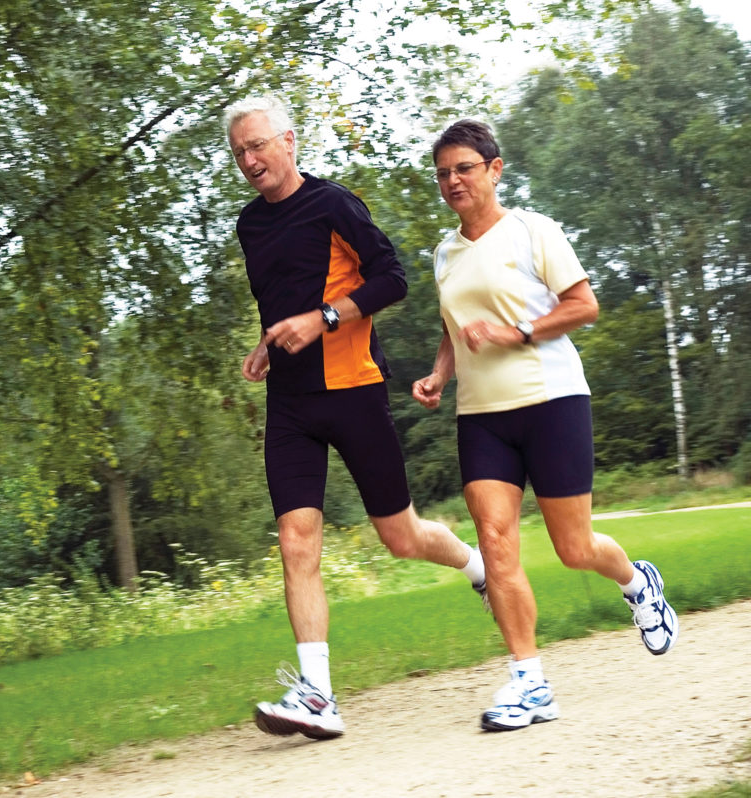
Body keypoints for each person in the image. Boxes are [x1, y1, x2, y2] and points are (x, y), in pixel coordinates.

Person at [224, 95, 488, 741]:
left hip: (352, 390)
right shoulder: (249, 225)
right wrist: (267, 341)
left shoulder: (335, 204)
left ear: (289, 140)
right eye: (239, 153)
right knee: (296, 540)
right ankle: (317, 695)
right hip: (289, 404)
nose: (250, 159)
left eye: (258, 145)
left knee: (400, 538)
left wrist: (324, 319)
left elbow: (391, 279)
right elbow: (282, 300)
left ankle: (473, 563)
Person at [411, 119, 679, 732]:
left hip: (552, 401)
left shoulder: (534, 231)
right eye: (444, 172)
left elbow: (584, 304)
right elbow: (456, 326)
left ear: (494, 169)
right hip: (481, 417)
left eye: (464, 168)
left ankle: (638, 582)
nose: (453, 180)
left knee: (573, 547)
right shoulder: (445, 253)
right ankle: (530, 683)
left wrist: (519, 332)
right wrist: (439, 373)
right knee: (497, 545)